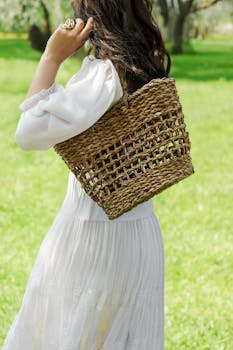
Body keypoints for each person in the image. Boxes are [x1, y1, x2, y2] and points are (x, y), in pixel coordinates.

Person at [3, 1, 171, 349]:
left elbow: (28, 133)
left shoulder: (103, 75)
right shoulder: (144, 63)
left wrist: (51, 58)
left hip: (95, 235)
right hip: (138, 231)